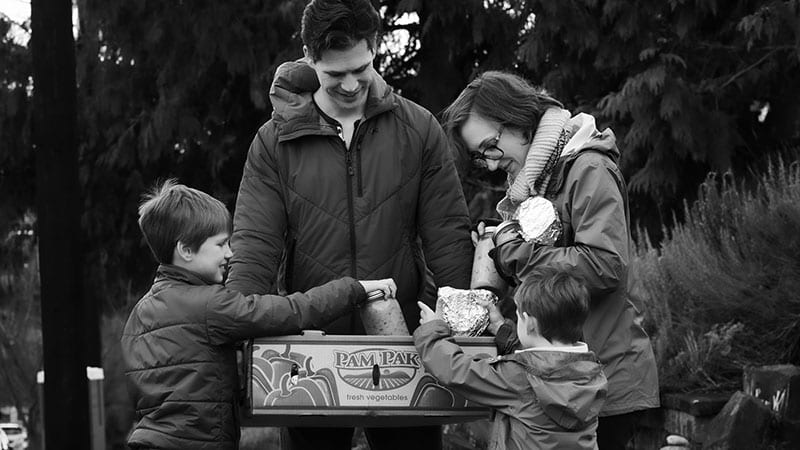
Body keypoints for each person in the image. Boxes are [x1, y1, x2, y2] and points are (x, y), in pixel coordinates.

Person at [227, 0, 474, 448]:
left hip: (407, 350)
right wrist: (239, 336)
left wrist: (458, 334)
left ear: (375, 48)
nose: (349, 84)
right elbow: (254, 246)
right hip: (307, 353)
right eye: (334, 74)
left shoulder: (418, 129)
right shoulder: (273, 143)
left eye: (360, 68)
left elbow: (449, 237)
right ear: (308, 56)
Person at [441, 70, 660, 450]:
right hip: (563, 379)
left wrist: (514, 252)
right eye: (480, 157)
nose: (491, 164)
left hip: (602, 383)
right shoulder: (536, 183)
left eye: (491, 145)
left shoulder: (587, 168)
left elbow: (604, 266)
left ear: (520, 120)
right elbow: (551, 281)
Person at [121, 179, 397, 450]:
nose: (230, 253)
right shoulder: (209, 305)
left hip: (150, 439)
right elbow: (289, 312)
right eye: (221, 244)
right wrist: (353, 288)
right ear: (186, 250)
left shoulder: (139, 314)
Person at [414, 268, 608, 450]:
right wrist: (501, 329)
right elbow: (547, 362)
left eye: (518, 317)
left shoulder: (517, 377)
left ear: (530, 323)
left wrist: (433, 331)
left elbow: (457, 370)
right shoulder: (591, 373)